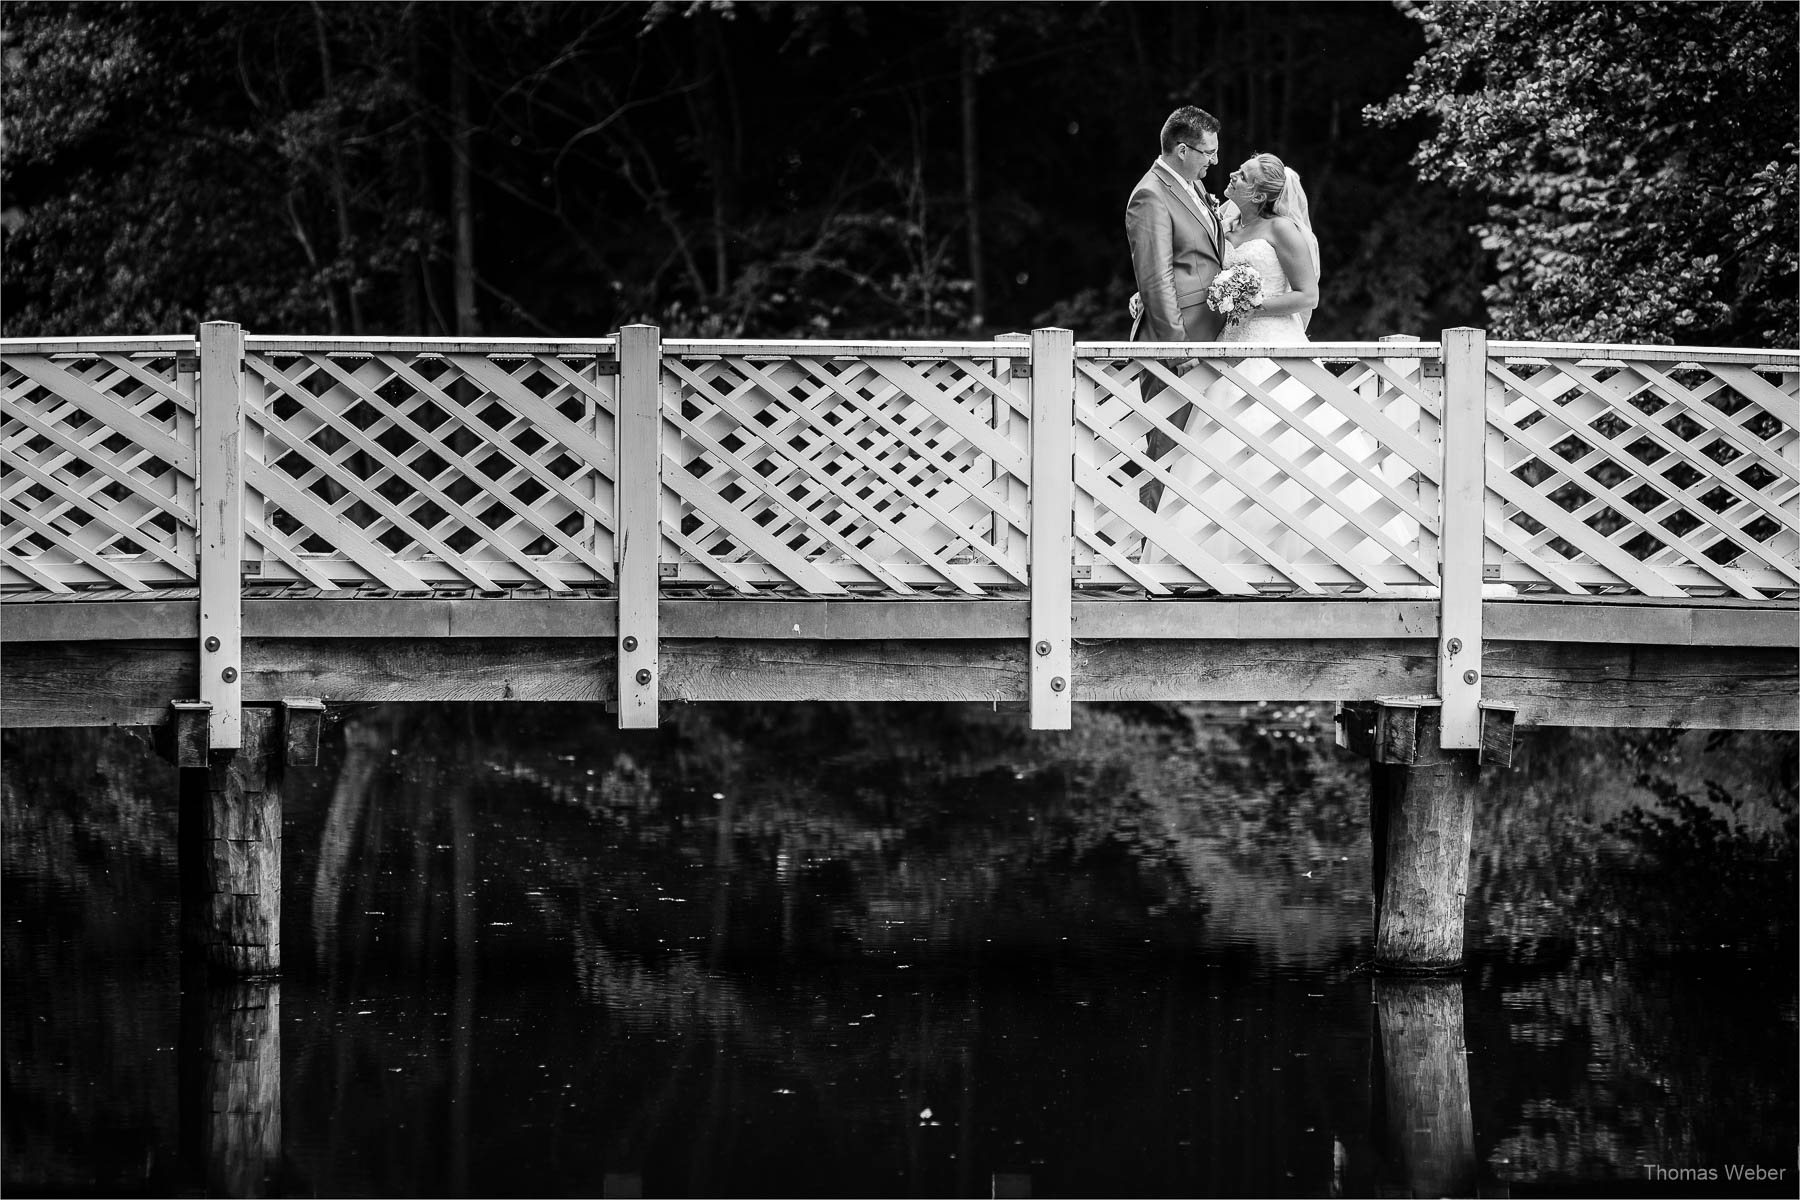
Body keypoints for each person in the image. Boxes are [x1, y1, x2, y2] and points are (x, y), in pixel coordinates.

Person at [1124, 106, 1226, 512]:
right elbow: (1155, 278)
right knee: (1167, 448)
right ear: (1182, 150)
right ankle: (1152, 554)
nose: (1214, 161)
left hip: (1211, 336)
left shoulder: (1190, 187)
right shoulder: (1150, 194)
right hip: (1179, 344)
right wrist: (1176, 348)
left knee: (1197, 452)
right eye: (1208, 152)